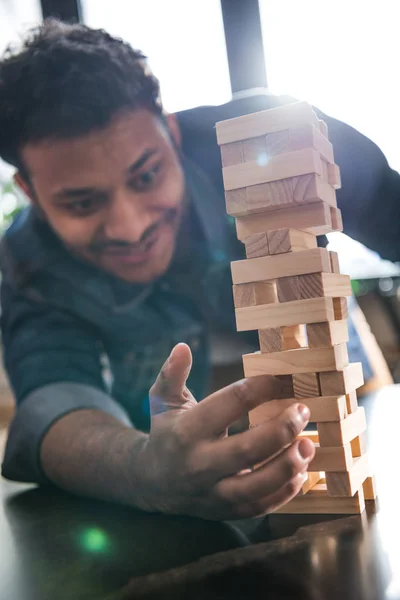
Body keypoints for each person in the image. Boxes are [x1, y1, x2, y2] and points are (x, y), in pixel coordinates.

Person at [0, 20, 398, 520]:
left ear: (169, 131)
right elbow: (52, 401)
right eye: (82, 203)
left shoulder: (278, 139)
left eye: (147, 175)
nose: (130, 227)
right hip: (167, 452)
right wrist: (138, 467)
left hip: (346, 395)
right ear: (30, 192)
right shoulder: (28, 261)